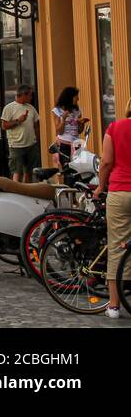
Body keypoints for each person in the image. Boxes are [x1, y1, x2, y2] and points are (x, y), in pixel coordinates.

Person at [94, 108, 131, 319]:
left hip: (120, 191)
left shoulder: (115, 127)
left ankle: (115, 305)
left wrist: (100, 187)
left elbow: (106, 162)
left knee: (117, 247)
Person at [0, 85, 41, 182]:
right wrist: (18, 120)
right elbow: (4, 126)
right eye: (30, 95)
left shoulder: (31, 108)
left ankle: (27, 191)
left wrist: (37, 140)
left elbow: (36, 125)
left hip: (31, 144)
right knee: (17, 172)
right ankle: (16, 193)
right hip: (16, 145)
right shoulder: (9, 108)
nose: (31, 98)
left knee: (29, 171)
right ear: (23, 95)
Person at [51, 86, 88, 165]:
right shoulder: (57, 111)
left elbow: (79, 131)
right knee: (66, 169)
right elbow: (59, 131)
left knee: (78, 167)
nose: (78, 99)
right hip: (64, 144)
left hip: (76, 143)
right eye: (76, 97)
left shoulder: (77, 111)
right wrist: (63, 119)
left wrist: (81, 123)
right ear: (69, 97)